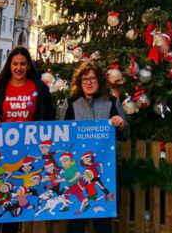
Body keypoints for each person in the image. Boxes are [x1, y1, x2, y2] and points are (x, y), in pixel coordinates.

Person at [0, 46, 56, 233]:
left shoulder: (39, 87)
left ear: (28, 65)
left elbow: (50, 117)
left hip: (25, 156)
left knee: (14, 205)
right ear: (9, 65)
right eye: (15, 64)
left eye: (23, 64)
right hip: (0, 154)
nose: (19, 68)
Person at [59, 60, 130, 233]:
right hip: (77, 173)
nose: (89, 82)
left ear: (99, 80)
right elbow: (61, 136)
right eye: (84, 79)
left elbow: (126, 135)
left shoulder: (112, 102)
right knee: (76, 222)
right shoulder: (71, 103)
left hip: (104, 171)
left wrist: (121, 124)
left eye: (92, 78)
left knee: (103, 223)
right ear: (79, 82)